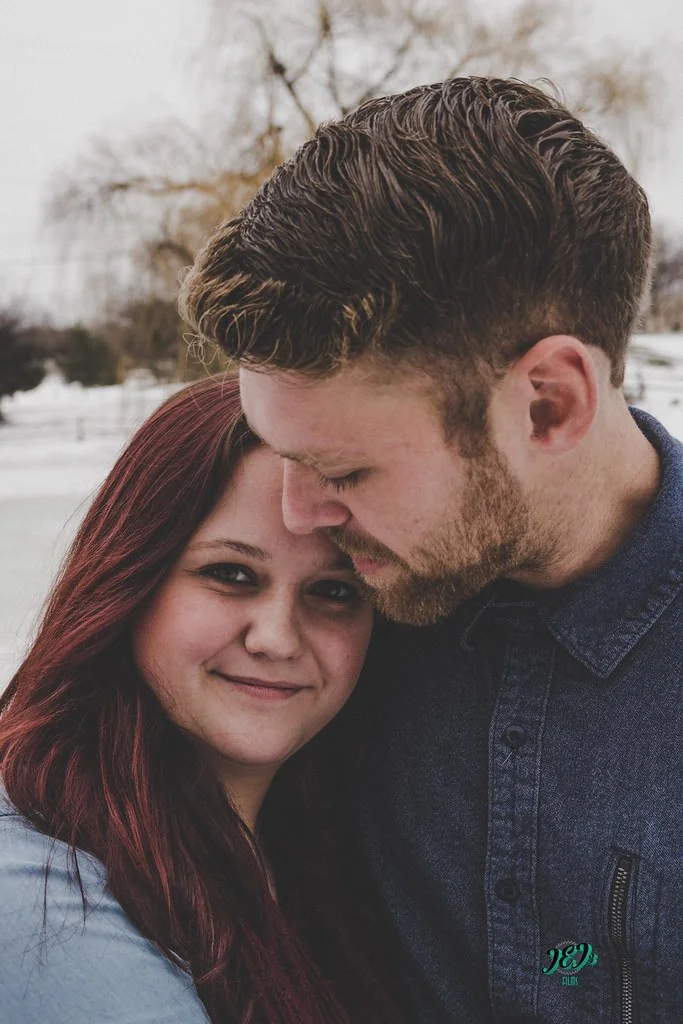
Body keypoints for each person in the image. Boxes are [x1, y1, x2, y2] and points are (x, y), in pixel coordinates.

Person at [178, 77, 683, 1022]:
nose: (297, 515)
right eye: (284, 456)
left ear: (548, 404)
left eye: (346, 471)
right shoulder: (327, 625)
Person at [0, 374, 406, 1024]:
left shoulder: (340, 848)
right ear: (130, 579)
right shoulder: (43, 900)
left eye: (335, 592)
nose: (276, 638)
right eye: (230, 574)